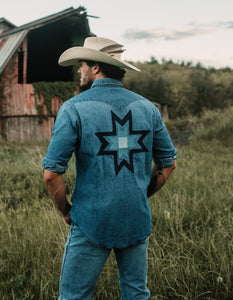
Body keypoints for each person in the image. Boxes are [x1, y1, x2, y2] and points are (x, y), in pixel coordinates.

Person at [42, 37, 177, 300]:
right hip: (136, 217)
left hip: (90, 219)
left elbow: (51, 174)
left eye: (81, 64)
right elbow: (168, 162)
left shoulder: (72, 108)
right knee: (137, 294)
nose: (79, 70)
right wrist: (139, 194)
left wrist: (66, 211)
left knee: (74, 297)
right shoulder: (148, 108)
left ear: (95, 67)